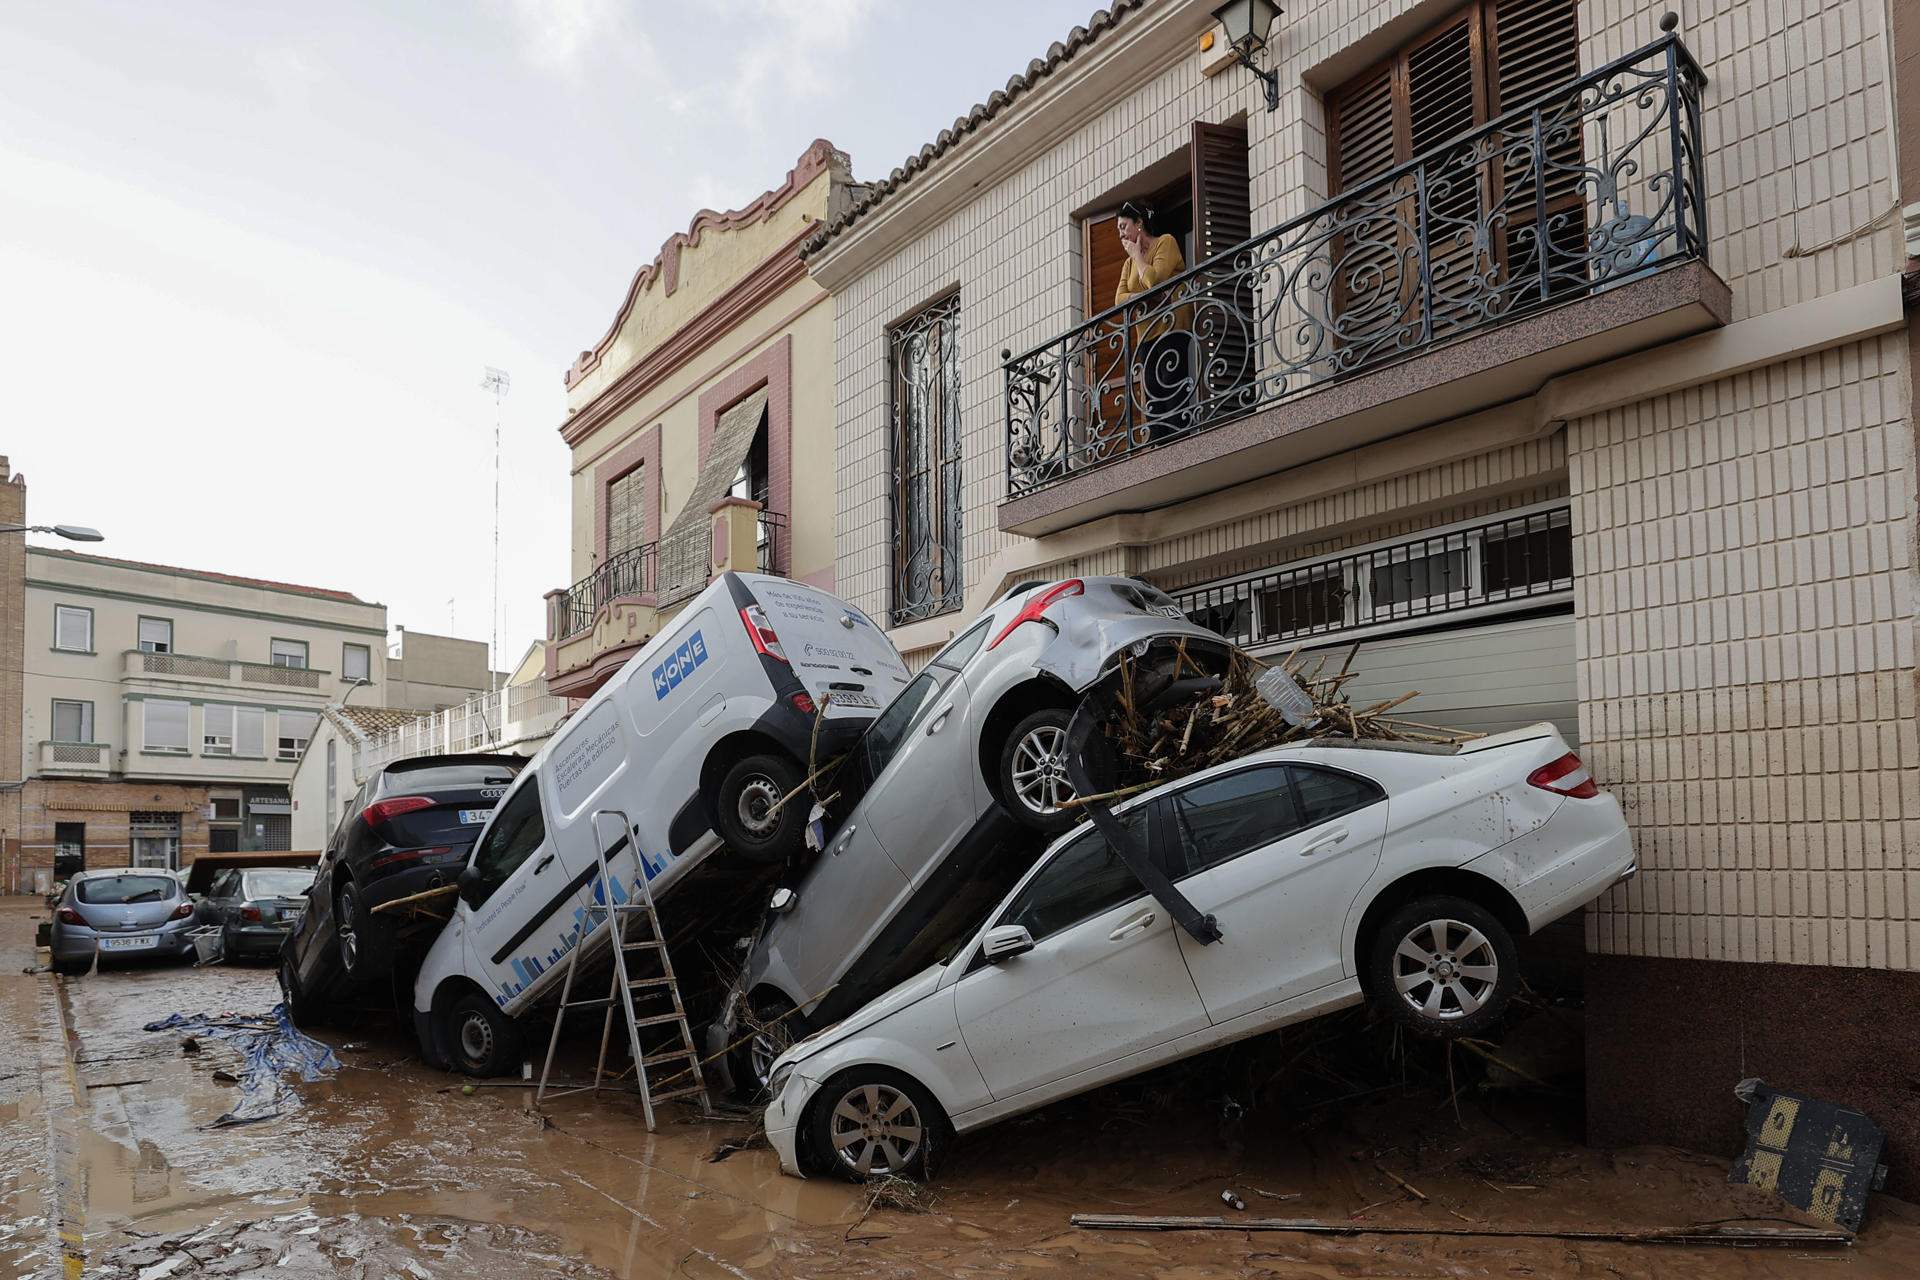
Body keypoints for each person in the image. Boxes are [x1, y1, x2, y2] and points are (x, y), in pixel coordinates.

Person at [1113, 200, 1193, 444]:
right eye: (1118, 229)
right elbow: (1119, 299)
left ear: (1139, 224)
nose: (1121, 233)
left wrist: (1138, 256)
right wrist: (1139, 296)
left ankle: (1179, 440)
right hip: (1146, 332)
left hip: (1172, 324)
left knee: (1171, 381)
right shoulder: (1127, 264)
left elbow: (1154, 281)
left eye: (1124, 226)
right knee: (1152, 388)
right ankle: (1160, 445)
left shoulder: (1165, 243)